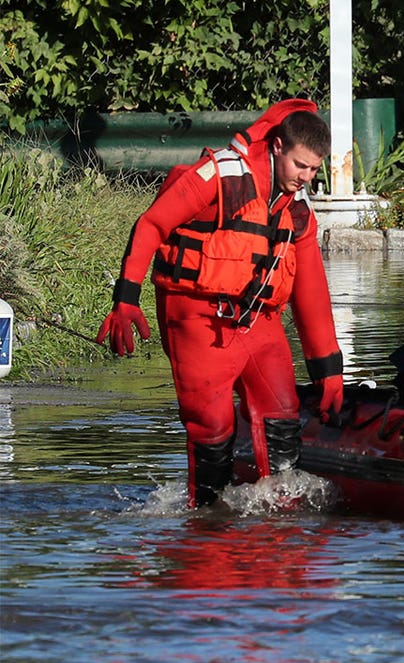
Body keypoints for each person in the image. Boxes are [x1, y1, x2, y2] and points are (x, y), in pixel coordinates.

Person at [95, 99, 345, 508]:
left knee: (282, 415)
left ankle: (282, 524)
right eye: (301, 166)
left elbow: (311, 291)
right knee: (212, 425)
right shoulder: (219, 175)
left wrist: (329, 370)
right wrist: (126, 299)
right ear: (278, 146)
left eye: (315, 169)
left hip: (256, 322)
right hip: (196, 316)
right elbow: (151, 224)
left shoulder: (298, 208)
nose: (307, 177)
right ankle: (208, 520)